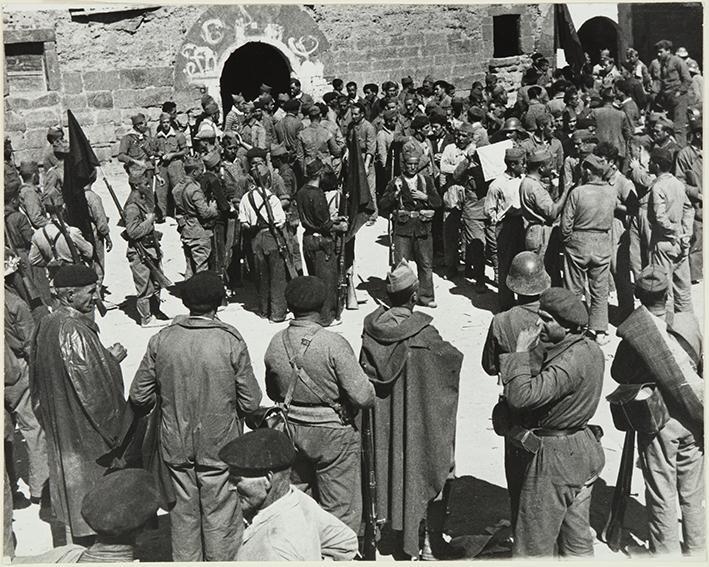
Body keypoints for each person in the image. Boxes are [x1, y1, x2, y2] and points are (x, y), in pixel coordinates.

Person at [129, 271, 263, 561]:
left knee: (183, 516)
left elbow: (139, 395)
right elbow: (252, 402)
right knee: (221, 516)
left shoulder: (161, 339)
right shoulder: (230, 340)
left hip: (174, 444)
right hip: (220, 445)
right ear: (219, 302)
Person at [360, 260, 463, 560]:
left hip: (383, 423)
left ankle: (390, 535)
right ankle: (430, 544)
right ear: (414, 295)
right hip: (417, 420)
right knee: (442, 464)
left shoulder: (371, 332)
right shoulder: (424, 334)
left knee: (388, 465)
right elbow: (450, 362)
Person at [263, 276, 375, 532]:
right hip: (332, 434)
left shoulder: (275, 342)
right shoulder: (333, 343)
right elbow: (363, 396)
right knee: (339, 510)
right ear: (322, 304)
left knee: (296, 504)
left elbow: (272, 391)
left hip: (290, 430)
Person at [499, 287, 605, 557]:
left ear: (569, 327)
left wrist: (520, 352)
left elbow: (521, 397)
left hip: (555, 461)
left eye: (547, 320)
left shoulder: (569, 362)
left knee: (532, 546)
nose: (539, 324)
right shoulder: (590, 349)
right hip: (582, 449)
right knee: (576, 539)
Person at [29, 265, 127, 545]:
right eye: (91, 291)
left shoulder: (45, 325)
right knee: (96, 513)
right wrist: (111, 361)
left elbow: (35, 388)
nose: (96, 297)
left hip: (63, 435)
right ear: (70, 295)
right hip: (86, 442)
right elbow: (98, 396)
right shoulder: (74, 331)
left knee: (73, 508)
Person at [610, 265, 704, 557]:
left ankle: (665, 556)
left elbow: (619, 373)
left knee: (662, 491)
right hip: (695, 420)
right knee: (693, 492)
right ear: (669, 292)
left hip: (660, 425)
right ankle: (699, 551)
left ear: (638, 295)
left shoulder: (637, 332)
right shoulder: (689, 323)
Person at [481, 251, 551, 531]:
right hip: (548, 400)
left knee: (517, 475)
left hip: (516, 406)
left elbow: (488, 365)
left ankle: (521, 532)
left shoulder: (502, 321)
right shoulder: (554, 317)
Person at [219, 429, 359, 561]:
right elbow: (345, 542)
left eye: (237, 481)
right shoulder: (297, 500)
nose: (231, 487)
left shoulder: (274, 548)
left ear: (267, 480)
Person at [4, 262, 49, 507]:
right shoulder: (16, 305)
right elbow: (31, 346)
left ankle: (9, 491)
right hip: (17, 372)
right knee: (34, 429)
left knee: (6, 436)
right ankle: (40, 488)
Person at [560, 154, 616, 344]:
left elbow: (565, 223)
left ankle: (574, 327)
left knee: (573, 288)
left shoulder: (578, 192)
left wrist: (568, 240)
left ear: (589, 171)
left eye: (584, 168)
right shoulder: (611, 191)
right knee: (600, 289)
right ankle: (599, 330)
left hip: (579, 242)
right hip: (602, 241)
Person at [379, 154, 442, 308]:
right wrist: (395, 195)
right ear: (403, 165)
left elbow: (438, 203)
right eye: (409, 164)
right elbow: (383, 204)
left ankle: (426, 297)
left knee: (426, 263)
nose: (412, 167)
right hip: (403, 228)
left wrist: (425, 197)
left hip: (422, 228)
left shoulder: (426, 181)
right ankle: (400, 299)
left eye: (415, 164)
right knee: (401, 264)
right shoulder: (395, 182)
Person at [296, 159, 349, 326]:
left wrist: (332, 219)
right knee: (327, 282)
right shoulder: (317, 193)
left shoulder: (302, 191)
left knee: (314, 279)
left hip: (308, 239)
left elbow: (316, 218)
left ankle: (316, 314)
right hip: (321, 243)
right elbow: (325, 225)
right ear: (319, 174)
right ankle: (327, 318)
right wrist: (340, 226)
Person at [647, 147, 694, 315]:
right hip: (682, 242)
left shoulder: (658, 187)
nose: (648, 163)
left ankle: (667, 330)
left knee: (663, 290)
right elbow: (689, 209)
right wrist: (686, 233)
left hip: (664, 242)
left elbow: (660, 218)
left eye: (651, 161)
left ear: (657, 165)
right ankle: (687, 326)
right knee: (683, 289)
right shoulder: (678, 184)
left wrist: (673, 231)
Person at [519, 149, 570, 285]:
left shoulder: (527, 182)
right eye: (549, 165)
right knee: (543, 271)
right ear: (541, 168)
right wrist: (566, 191)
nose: (552, 168)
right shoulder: (535, 187)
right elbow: (552, 213)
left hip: (533, 231)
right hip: (541, 234)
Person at [484, 147, 526, 310]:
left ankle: (524, 300)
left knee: (523, 263)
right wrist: (498, 216)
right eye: (522, 163)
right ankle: (506, 304)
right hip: (506, 227)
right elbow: (488, 210)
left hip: (522, 224)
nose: (525, 165)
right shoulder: (497, 184)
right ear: (513, 164)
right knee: (506, 265)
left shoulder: (524, 180)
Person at [123, 172, 167, 328]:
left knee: (156, 283)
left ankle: (156, 311)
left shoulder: (141, 201)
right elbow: (132, 232)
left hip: (150, 248)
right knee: (144, 286)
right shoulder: (132, 207)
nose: (148, 186)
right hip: (139, 252)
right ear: (136, 186)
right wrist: (148, 221)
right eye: (145, 184)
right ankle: (146, 318)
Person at [172, 155, 218, 278]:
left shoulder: (176, 188)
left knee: (189, 267)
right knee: (201, 267)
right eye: (200, 171)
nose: (202, 173)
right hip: (197, 231)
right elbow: (204, 213)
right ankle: (201, 294)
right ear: (194, 171)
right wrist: (213, 208)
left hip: (186, 230)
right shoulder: (194, 190)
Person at [675, 117, 702, 283]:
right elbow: (679, 181)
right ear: (698, 135)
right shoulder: (685, 155)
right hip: (696, 205)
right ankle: (694, 276)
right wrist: (697, 194)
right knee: (697, 240)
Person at [652, 40, 692, 146]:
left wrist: (679, 92)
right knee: (669, 126)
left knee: (679, 128)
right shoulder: (663, 63)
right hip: (668, 99)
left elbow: (687, 79)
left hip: (679, 99)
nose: (658, 54)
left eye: (661, 52)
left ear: (668, 51)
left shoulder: (677, 61)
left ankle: (680, 152)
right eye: (658, 52)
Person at [154, 111, 188, 221]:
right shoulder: (157, 137)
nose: (166, 125)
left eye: (167, 122)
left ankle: (180, 212)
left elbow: (185, 150)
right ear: (160, 123)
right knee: (161, 190)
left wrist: (173, 154)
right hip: (163, 165)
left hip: (175, 164)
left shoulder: (178, 135)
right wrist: (157, 154)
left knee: (178, 189)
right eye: (163, 122)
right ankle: (161, 214)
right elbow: (153, 151)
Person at [117, 114, 156, 209]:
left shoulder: (146, 138)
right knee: (137, 194)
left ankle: (149, 215)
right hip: (136, 172)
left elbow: (151, 154)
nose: (146, 126)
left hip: (148, 170)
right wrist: (135, 161)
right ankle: (130, 213)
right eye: (143, 124)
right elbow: (121, 156)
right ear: (138, 125)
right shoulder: (127, 138)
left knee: (149, 194)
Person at [349, 102, 378, 220]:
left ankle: (372, 215)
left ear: (362, 114)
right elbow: (349, 141)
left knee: (370, 188)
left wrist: (366, 165)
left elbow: (371, 148)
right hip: (354, 159)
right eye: (352, 114)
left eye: (356, 114)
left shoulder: (369, 127)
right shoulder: (352, 126)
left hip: (365, 159)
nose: (354, 116)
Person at [18, 161, 48, 229]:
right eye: (38, 173)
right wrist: (52, 224)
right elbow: (37, 220)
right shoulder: (29, 193)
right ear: (34, 176)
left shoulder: (27, 190)